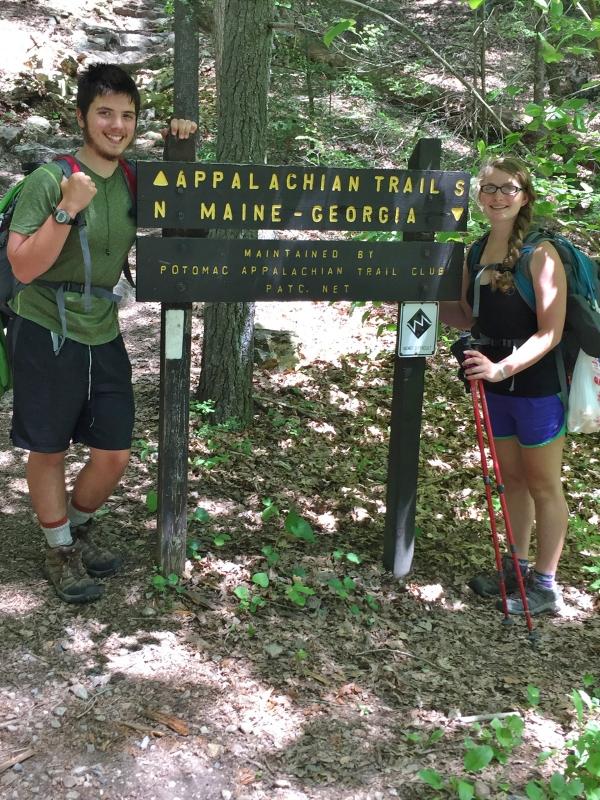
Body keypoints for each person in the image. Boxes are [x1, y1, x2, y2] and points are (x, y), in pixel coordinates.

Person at [6, 63, 197, 604]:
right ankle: (58, 549)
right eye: (105, 113)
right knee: (48, 447)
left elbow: (189, 210)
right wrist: (67, 208)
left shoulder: (134, 177)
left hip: (103, 328)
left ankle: (78, 531)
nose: (117, 125)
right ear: (83, 117)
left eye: (127, 115)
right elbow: (22, 267)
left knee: (113, 450)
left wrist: (180, 147)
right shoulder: (50, 180)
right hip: (46, 325)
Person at [440, 156, 568, 615]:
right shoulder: (475, 252)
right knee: (511, 478)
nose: (497, 197)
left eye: (508, 188)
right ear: (479, 196)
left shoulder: (541, 254)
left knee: (543, 483)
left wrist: (502, 369)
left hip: (535, 384)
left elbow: (551, 331)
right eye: (489, 188)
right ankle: (516, 567)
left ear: (525, 196)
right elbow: (466, 315)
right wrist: (416, 296)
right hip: (492, 381)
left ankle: (546, 585)